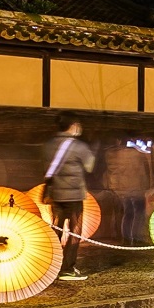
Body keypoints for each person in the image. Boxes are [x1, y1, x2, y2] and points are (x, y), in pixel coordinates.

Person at [43, 117, 97, 280]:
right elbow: (89, 166)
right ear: (73, 125)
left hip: (55, 194)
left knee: (56, 229)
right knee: (74, 232)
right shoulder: (78, 146)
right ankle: (67, 269)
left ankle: (50, 266)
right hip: (73, 196)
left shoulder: (49, 145)